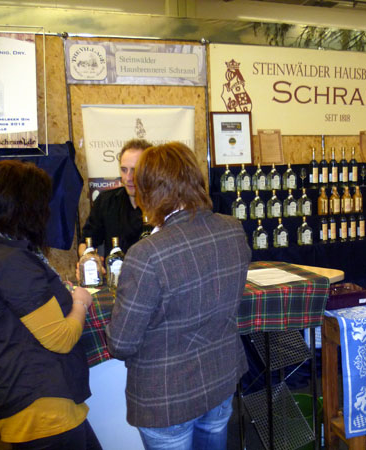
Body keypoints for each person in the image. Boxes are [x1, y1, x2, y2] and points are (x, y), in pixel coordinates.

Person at [106, 142, 251, 450]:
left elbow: (121, 344)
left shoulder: (148, 253)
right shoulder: (232, 229)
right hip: (220, 378)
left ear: (150, 190)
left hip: (166, 397)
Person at [0, 160, 101, 449]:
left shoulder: (0, 251)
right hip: (42, 407)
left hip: (35, 400)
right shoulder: (12, 262)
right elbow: (60, 338)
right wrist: (80, 302)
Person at [79, 138, 152, 258]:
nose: (128, 178)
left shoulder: (163, 206)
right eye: (124, 170)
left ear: (150, 170)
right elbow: (87, 241)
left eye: (135, 170)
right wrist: (88, 259)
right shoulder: (106, 201)